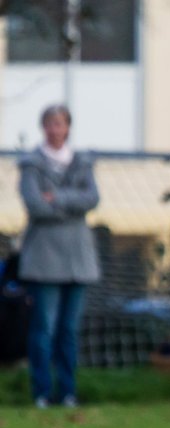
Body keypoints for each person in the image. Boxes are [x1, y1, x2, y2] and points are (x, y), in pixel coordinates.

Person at [18, 104, 101, 408]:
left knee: (68, 330)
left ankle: (68, 392)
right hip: (44, 260)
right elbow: (35, 205)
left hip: (78, 260)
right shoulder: (31, 165)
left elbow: (92, 198)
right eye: (50, 123)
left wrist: (59, 198)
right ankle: (41, 392)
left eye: (61, 123)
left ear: (68, 127)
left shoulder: (82, 162)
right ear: (44, 127)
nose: (55, 129)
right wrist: (71, 205)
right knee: (44, 329)